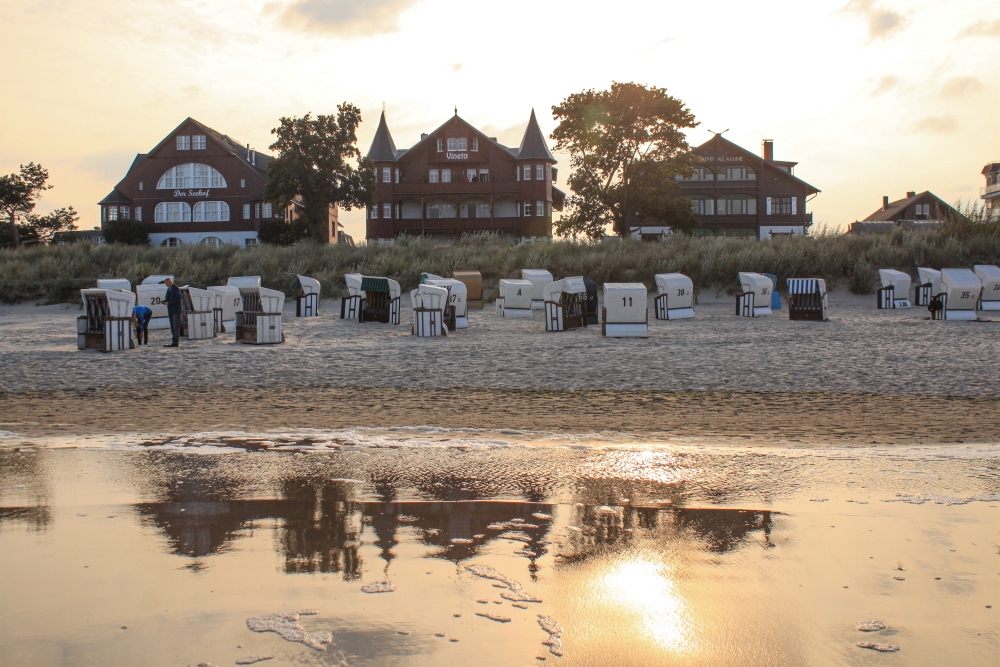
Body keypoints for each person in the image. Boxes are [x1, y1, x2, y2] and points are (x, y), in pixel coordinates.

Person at [163, 277, 182, 347]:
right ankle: (174, 341)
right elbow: (168, 298)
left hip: (176, 310)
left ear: (170, 282)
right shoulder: (169, 289)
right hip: (170, 310)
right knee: (172, 327)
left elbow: (178, 299)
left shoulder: (176, 289)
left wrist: (169, 302)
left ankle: (176, 342)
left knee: (175, 326)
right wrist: (165, 301)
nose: (166, 284)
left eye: (166, 283)